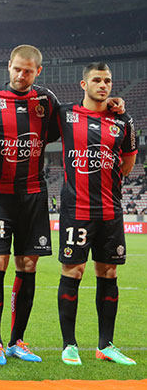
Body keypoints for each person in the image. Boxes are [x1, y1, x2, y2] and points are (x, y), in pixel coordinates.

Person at [0, 44, 123, 364]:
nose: (21, 75)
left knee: (28, 266)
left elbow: (77, 119)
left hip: (33, 195)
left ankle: (17, 340)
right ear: (9, 66)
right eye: (17, 68)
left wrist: (112, 103)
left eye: (28, 71)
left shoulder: (47, 101)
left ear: (38, 71)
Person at [55, 62, 137, 366]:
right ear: (84, 84)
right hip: (76, 209)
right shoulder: (65, 114)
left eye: (107, 81)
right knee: (73, 271)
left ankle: (106, 345)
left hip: (110, 209)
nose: (103, 85)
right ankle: (69, 345)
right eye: (97, 80)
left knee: (109, 273)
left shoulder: (122, 120)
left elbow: (128, 160)